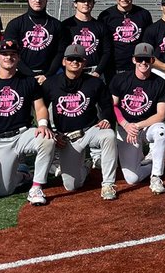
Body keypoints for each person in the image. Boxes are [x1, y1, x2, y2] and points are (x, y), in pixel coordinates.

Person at [0, 38, 56, 205]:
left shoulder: (28, 81)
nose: (8, 57)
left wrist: (43, 124)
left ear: (18, 57)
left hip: (23, 133)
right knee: (3, 191)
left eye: (12, 54)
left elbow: (40, 107)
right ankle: (23, 174)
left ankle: (36, 186)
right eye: (4, 54)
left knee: (47, 139)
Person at [44, 44, 119, 200]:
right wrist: (51, 131)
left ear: (84, 63)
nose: (75, 62)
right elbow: (40, 108)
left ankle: (108, 184)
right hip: (66, 137)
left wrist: (106, 118)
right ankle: (85, 166)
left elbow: (107, 106)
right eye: (71, 58)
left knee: (108, 135)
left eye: (79, 59)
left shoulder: (95, 83)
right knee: (72, 186)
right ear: (64, 61)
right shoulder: (51, 83)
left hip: (90, 130)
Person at [111, 42, 165, 193]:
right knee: (132, 179)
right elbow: (113, 106)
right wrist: (126, 125)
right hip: (126, 128)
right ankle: (153, 162)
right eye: (139, 59)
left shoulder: (160, 83)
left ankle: (156, 176)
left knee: (161, 131)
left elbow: (161, 114)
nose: (143, 63)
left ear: (152, 61)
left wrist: (137, 126)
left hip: (147, 126)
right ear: (133, 60)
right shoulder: (120, 79)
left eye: (147, 59)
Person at [3, 0, 64, 85]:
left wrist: (47, 75)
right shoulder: (15, 24)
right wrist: (30, 75)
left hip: (48, 78)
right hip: (21, 77)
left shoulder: (57, 25)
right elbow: (11, 53)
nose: (37, 0)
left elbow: (60, 53)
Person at [98, 0, 151, 80]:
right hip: (113, 66)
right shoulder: (106, 16)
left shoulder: (143, 14)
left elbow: (147, 41)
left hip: (137, 65)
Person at [60, 0, 111, 77]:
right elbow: (60, 52)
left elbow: (107, 52)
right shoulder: (66, 26)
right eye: (82, 1)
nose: (86, 3)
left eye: (89, 1)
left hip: (94, 72)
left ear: (93, 4)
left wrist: (98, 72)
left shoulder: (101, 26)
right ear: (75, 4)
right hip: (72, 72)